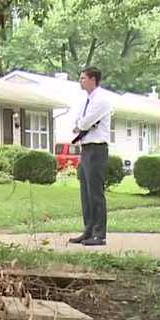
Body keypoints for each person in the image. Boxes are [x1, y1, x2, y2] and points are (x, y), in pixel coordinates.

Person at [70, 67, 113, 246]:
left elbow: (85, 122)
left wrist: (81, 124)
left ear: (93, 79)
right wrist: (81, 124)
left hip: (97, 148)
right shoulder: (86, 100)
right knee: (85, 192)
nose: (81, 81)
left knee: (95, 193)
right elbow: (78, 121)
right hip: (86, 148)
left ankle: (99, 234)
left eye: (83, 78)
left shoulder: (101, 99)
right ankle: (88, 230)